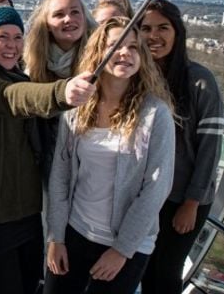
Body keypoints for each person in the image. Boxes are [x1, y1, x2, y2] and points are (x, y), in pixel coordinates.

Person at [0, 5, 96, 294]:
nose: (12, 46)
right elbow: (12, 99)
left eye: (18, 37)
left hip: (24, 216)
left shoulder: (18, 77)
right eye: (2, 36)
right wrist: (61, 92)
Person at [44, 16, 176, 294]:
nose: (125, 53)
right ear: (98, 53)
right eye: (114, 45)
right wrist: (56, 237)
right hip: (76, 232)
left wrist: (122, 250)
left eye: (133, 47)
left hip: (126, 245)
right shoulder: (78, 107)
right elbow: (61, 175)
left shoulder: (155, 114)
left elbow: (156, 187)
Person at [139, 0, 224, 294]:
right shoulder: (137, 77)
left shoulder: (200, 81)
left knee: (165, 272)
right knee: (143, 266)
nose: (154, 36)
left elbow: (210, 147)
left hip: (182, 197)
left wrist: (191, 203)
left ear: (178, 32)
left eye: (163, 27)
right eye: (146, 28)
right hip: (146, 192)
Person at [23, 0, 94, 184]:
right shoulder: (32, 67)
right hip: (46, 166)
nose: (68, 19)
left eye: (74, 12)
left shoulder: (100, 64)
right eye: (59, 14)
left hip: (90, 167)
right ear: (47, 24)